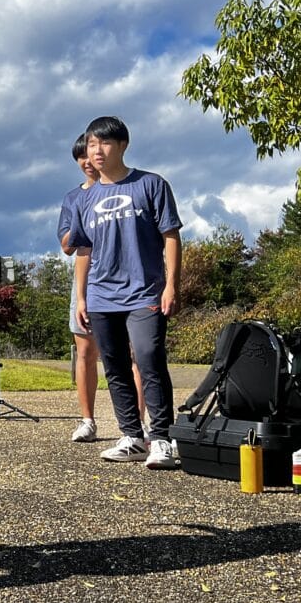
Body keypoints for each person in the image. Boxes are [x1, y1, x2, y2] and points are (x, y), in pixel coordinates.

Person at [67, 116, 182, 469]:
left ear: (122, 146)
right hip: (101, 297)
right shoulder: (84, 199)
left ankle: (161, 438)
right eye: (91, 144)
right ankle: (131, 436)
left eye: (104, 144)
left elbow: (171, 236)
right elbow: (82, 251)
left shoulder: (150, 185)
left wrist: (171, 285)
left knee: (148, 357)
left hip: (145, 292)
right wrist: (83, 298)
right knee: (115, 367)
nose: (96, 151)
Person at [57, 136, 144, 443]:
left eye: (91, 153)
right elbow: (68, 245)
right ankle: (88, 420)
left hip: (129, 280)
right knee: (86, 351)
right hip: (88, 282)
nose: (87, 161)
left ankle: (140, 424)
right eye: (80, 157)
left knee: (135, 353)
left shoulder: (126, 187)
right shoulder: (74, 199)